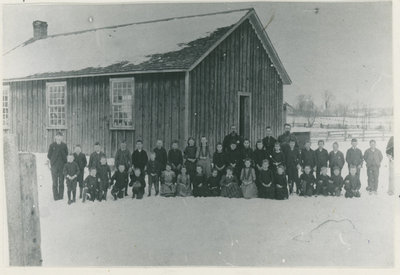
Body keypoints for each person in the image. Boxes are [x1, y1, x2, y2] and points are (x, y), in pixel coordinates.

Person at [47, 132, 69, 201]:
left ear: (62, 138)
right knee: (55, 182)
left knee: (61, 182)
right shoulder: (52, 145)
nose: (59, 138)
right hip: (54, 166)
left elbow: (66, 154)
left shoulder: (64, 145)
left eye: (60, 136)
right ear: (55, 137)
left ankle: (61, 196)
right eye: (57, 136)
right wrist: (52, 162)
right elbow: (49, 155)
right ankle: (56, 197)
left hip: (62, 166)